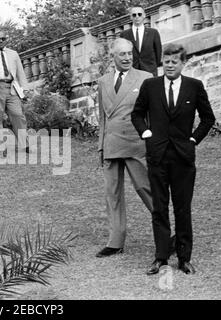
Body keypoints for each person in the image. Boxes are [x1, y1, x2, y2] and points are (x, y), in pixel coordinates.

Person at [131, 43, 215, 275]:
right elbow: (137, 113)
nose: (169, 65)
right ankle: (160, 257)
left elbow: (208, 118)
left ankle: (184, 258)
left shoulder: (194, 86)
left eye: (174, 61)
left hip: (183, 158)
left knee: (182, 208)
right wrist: (146, 133)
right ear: (162, 63)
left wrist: (193, 139)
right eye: (166, 62)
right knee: (159, 208)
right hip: (157, 156)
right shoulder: (150, 85)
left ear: (182, 63)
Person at [95, 38, 154, 258]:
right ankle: (115, 241)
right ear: (113, 57)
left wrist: (154, 142)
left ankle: (170, 232)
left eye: (130, 53)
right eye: (122, 54)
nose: (128, 57)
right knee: (112, 194)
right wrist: (100, 145)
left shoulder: (145, 78)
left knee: (145, 188)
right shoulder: (103, 81)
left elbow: (153, 114)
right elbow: (102, 117)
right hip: (111, 144)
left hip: (135, 142)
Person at [120, 6, 162, 76]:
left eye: (139, 14)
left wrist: (152, 67)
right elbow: (122, 55)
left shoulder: (153, 33)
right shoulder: (124, 35)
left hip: (150, 72)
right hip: (131, 73)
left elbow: (158, 54)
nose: (137, 17)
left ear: (144, 15)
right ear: (130, 17)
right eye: (134, 15)